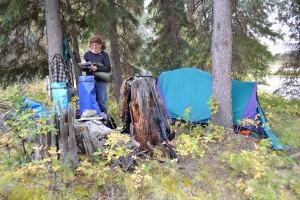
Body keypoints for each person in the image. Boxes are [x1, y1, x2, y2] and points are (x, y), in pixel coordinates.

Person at [83, 35, 111, 114]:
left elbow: (108, 68)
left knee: (102, 102)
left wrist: (97, 69)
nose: (94, 46)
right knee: (90, 100)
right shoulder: (87, 55)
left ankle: (104, 121)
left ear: (101, 45)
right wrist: (86, 67)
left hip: (101, 82)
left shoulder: (104, 55)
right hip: (89, 81)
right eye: (93, 44)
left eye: (96, 44)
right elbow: (83, 68)